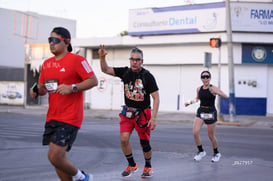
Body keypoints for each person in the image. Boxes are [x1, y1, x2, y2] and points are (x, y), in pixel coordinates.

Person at [30, 27, 98, 181]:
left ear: (66, 42)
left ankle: (83, 177)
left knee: (54, 155)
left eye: (54, 40)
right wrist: (36, 90)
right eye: (49, 40)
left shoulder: (77, 60)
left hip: (70, 117)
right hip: (52, 116)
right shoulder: (46, 64)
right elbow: (43, 89)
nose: (51, 44)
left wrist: (72, 87)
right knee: (58, 161)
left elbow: (93, 80)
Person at [98, 45, 159, 178]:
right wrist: (102, 57)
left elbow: (156, 97)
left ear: (142, 61)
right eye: (132, 59)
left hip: (143, 114)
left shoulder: (148, 76)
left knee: (144, 143)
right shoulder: (125, 72)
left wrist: (153, 118)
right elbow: (105, 69)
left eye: (137, 60)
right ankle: (132, 165)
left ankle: (148, 166)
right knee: (124, 139)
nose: (134, 62)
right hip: (128, 113)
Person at [185, 70, 228, 162]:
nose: (205, 79)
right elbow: (197, 98)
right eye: (203, 77)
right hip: (201, 111)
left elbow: (225, 96)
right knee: (195, 132)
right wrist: (189, 103)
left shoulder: (213, 88)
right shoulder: (199, 88)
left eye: (207, 77)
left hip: (211, 112)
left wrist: (217, 92)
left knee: (210, 135)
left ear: (210, 78)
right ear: (201, 79)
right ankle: (201, 151)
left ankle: (216, 153)